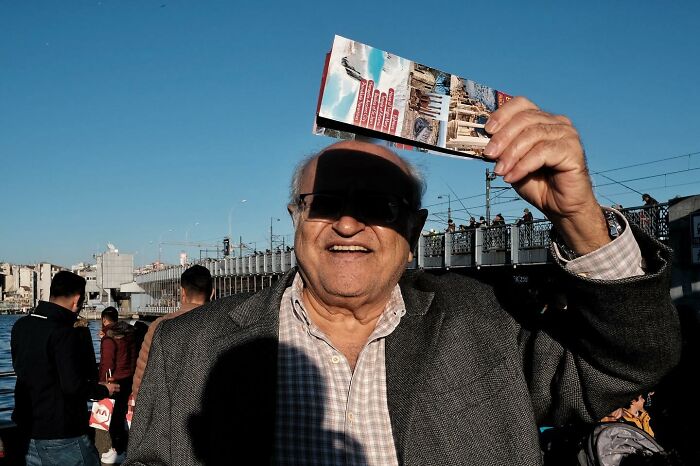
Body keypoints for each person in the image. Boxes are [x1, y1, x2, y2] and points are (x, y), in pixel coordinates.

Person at [126, 96, 681, 465]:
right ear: (297, 217)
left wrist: (578, 218)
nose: (347, 222)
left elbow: (627, 362)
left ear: (413, 229)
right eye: (325, 204)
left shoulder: (488, 323)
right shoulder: (190, 347)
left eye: (376, 205)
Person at [11, 271, 119, 466]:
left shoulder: (21, 326)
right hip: (62, 432)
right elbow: (72, 386)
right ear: (77, 299)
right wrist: (104, 389)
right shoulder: (64, 333)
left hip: (27, 429)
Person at [130, 264, 213, 401]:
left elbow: (141, 377)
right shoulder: (220, 325)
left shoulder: (159, 325)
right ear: (212, 293)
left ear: (182, 293)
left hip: (166, 410)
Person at [98, 307, 138, 464]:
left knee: (114, 417)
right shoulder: (129, 334)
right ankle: (123, 448)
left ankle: (117, 450)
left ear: (104, 320)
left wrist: (102, 382)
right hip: (129, 377)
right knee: (122, 414)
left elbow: (107, 363)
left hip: (113, 381)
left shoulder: (109, 338)